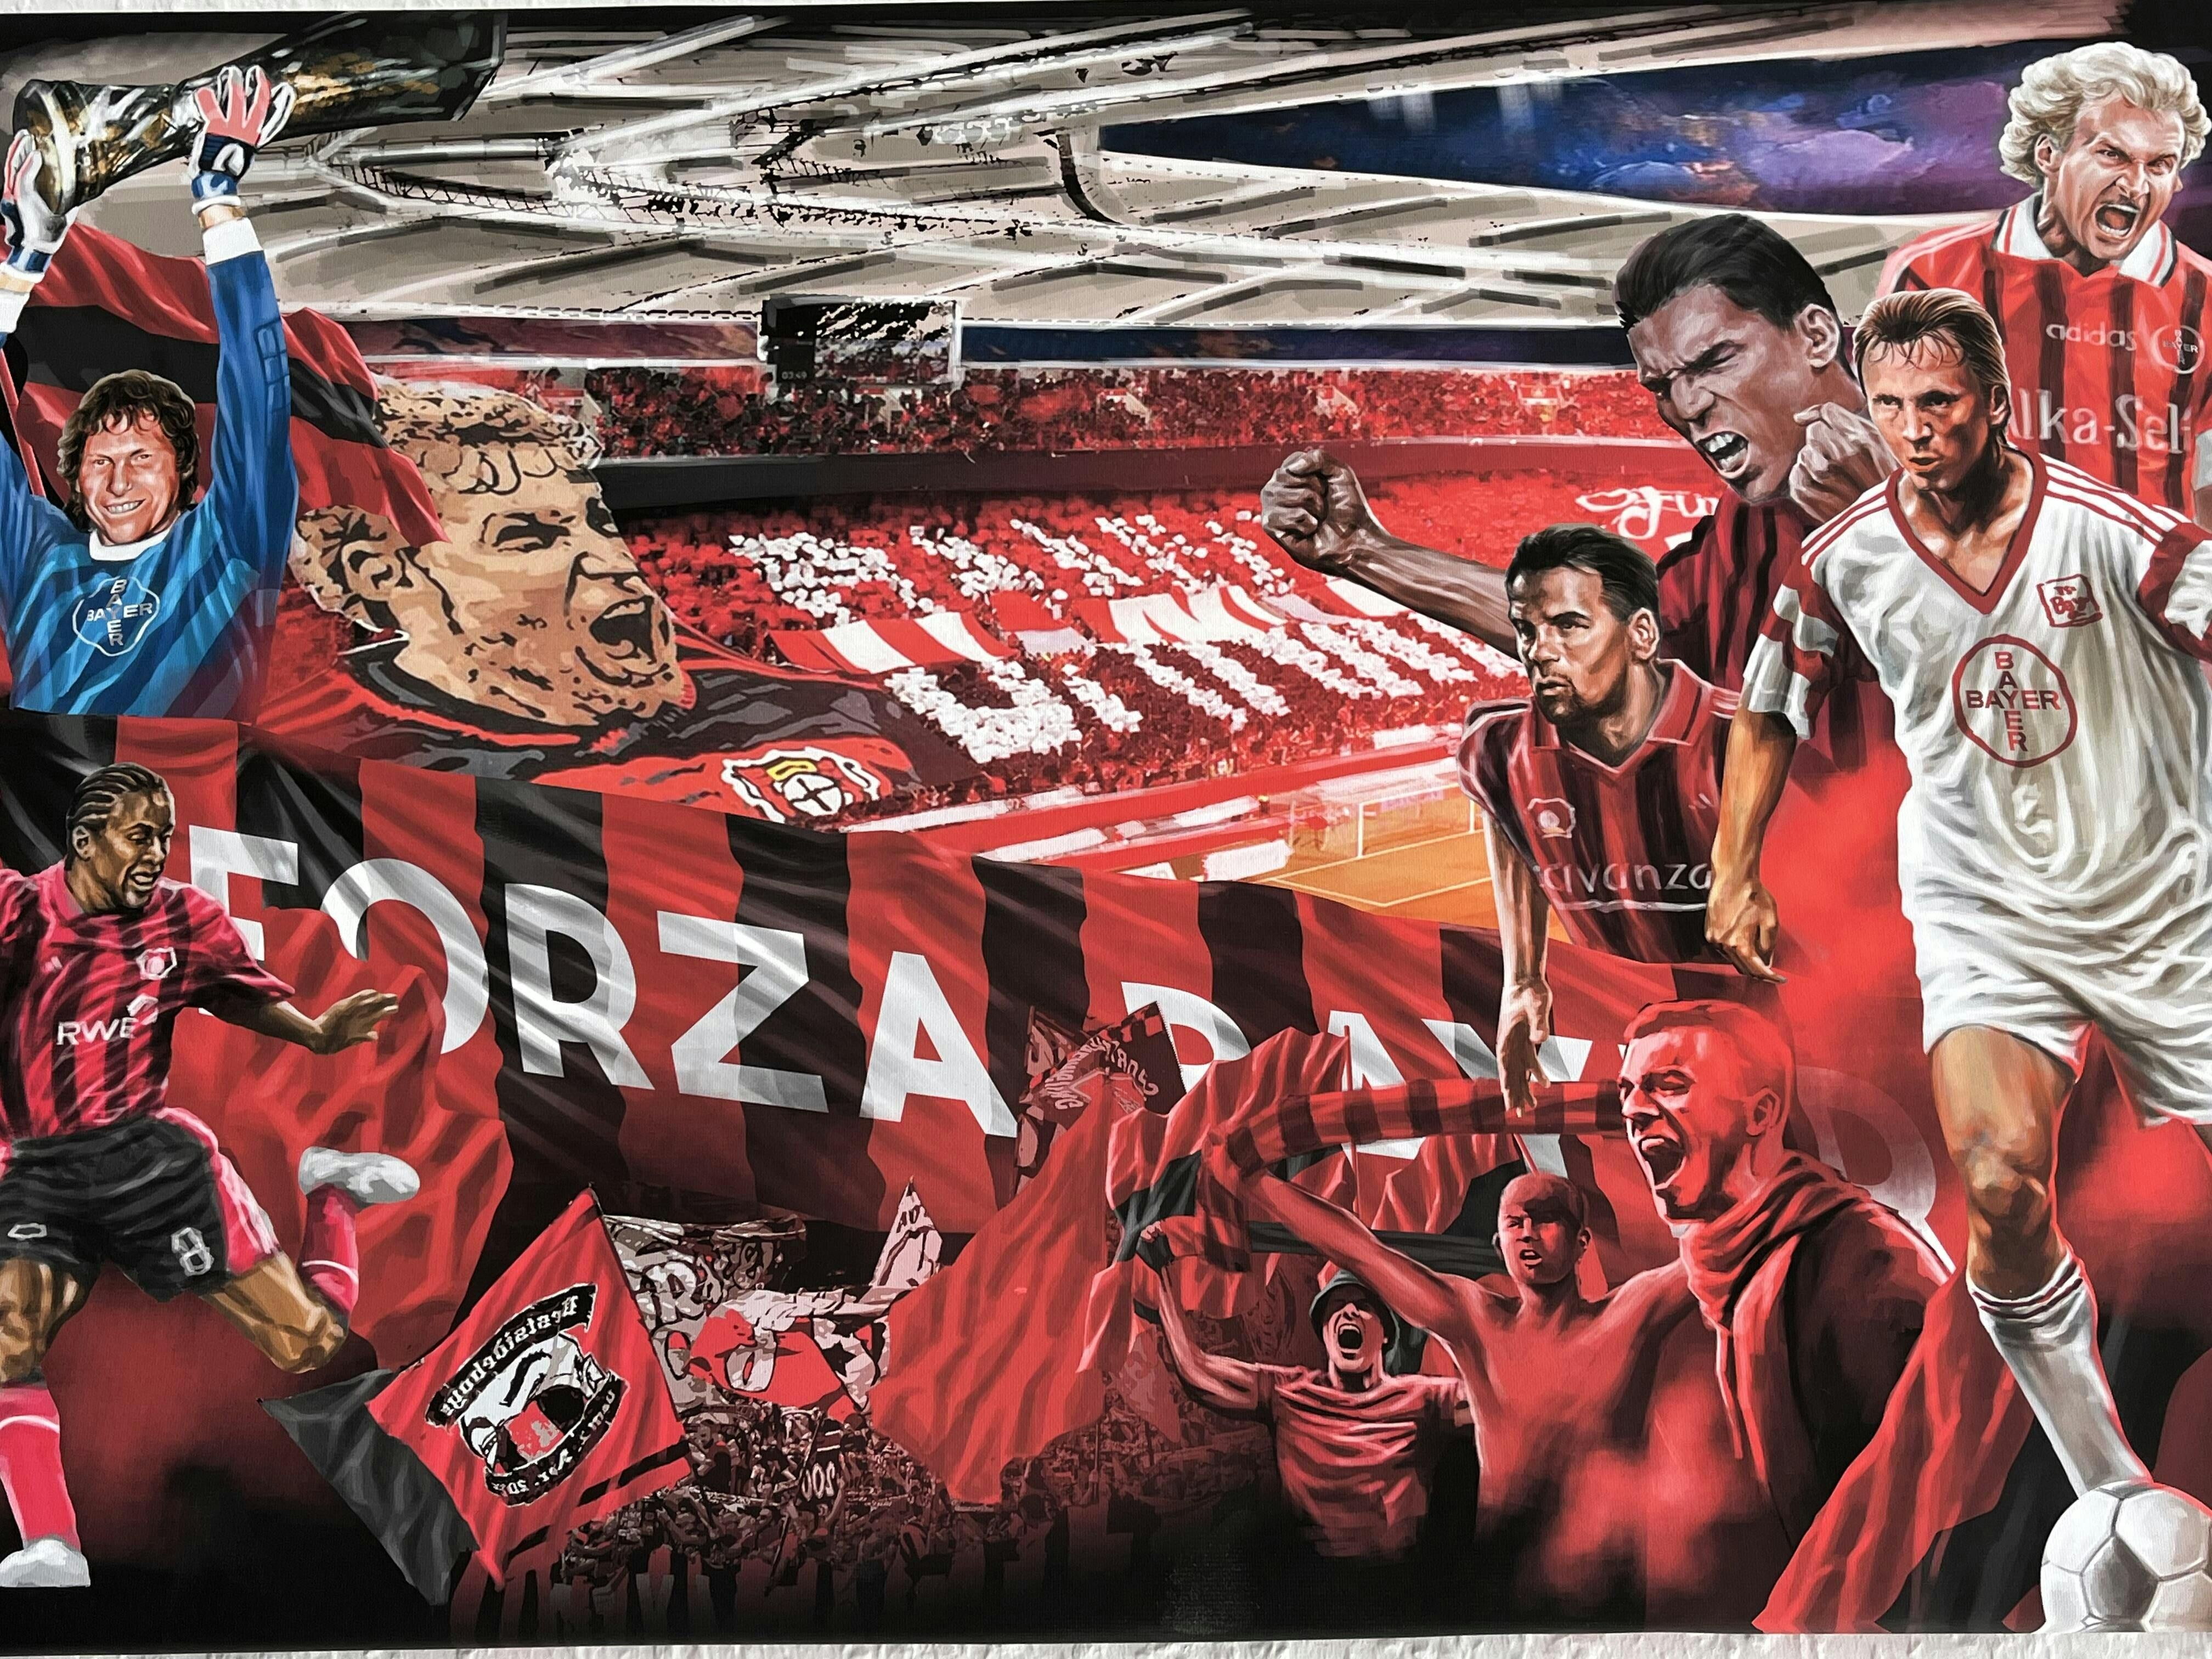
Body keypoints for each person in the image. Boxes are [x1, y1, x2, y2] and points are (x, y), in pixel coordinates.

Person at [1719, 286, 2212, 1544]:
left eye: (1938, 402)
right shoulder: (1844, 553)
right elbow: (1767, 704)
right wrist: (1733, 866)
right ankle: (2113, 1494)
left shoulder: (2111, 534)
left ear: (1995, 401)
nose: (1915, 431)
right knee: (1997, 1180)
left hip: (2154, 896)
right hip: (1982, 904)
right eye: (1889, 407)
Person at [1260, 213, 1894, 771]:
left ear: (1817, 336)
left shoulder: (1943, 485)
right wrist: (1364, 551)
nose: (1687, 406)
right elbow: (1607, 638)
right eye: (1661, 386)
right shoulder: (1745, 532)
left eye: (1714, 361)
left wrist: (1886, 527)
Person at [0, 763, 419, 1588]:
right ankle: (51, 1544)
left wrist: (316, 1034)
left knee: (306, 1344)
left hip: (153, 1163)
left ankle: (331, 1193)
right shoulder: (19, 912)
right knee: (8, 1334)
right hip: (37, 1168)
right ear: (84, 841)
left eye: (163, 835)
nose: (156, 852)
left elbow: (233, 994)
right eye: (139, 836)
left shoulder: (183, 919)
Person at [269, 380, 964, 813]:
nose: (609, 565)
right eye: (528, 536)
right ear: (378, 571)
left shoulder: (840, 709)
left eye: (597, 523)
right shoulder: (321, 780)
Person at [1211, 1169, 1743, 1622]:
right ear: (1498, 1244)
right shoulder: (1476, 1322)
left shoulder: (1632, 1314)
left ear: (1582, 1241)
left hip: (1608, 1603)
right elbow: (1360, 1252)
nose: (1528, 1232)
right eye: (1515, 1222)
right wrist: (1253, 1180)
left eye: (1546, 1217)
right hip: (1500, 1594)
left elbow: (1731, 1236)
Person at [0, 67, 299, 719]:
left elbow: (259, 391)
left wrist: (217, 199)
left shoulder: (231, 542)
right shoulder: (37, 559)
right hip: (46, 785)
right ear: (75, 478)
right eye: (99, 462)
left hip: (192, 786)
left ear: (185, 471)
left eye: (141, 458)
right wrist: (22, 264)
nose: (117, 482)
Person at [1617, 1000, 1942, 1538]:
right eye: (1626, 1091)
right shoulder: (1725, 1282)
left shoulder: (1864, 1263)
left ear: (1762, 1114)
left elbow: (1936, 1494)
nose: (1633, 1110)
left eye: (1670, 1085)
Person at [1457, 523, 1743, 1114]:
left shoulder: (1738, 743)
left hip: (1769, 1046)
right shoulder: (1500, 751)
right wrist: (1523, 979)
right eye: (1526, 630)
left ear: (1641, 635)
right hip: (1638, 1050)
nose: (1539, 651)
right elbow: (1505, 809)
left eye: (1568, 626)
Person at [1877, 42, 2211, 525]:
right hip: (1983, 563)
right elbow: (1897, 450)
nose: (2137, 185)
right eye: (2113, 155)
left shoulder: (2204, 298)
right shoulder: (1934, 273)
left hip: (2148, 569)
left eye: (2160, 164)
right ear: (2049, 153)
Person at [1143, 1248, 1467, 1564]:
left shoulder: (1425, 1399)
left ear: (1386, 1333)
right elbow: (1197, 1370)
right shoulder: (1288, 1391)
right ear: (1324, 1332)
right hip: (1308, 1583)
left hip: (1395, 1585)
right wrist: (1163, 1273)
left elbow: (1496, 1400)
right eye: (1336, 1306)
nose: (1349, 1311)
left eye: (1363, 1305)